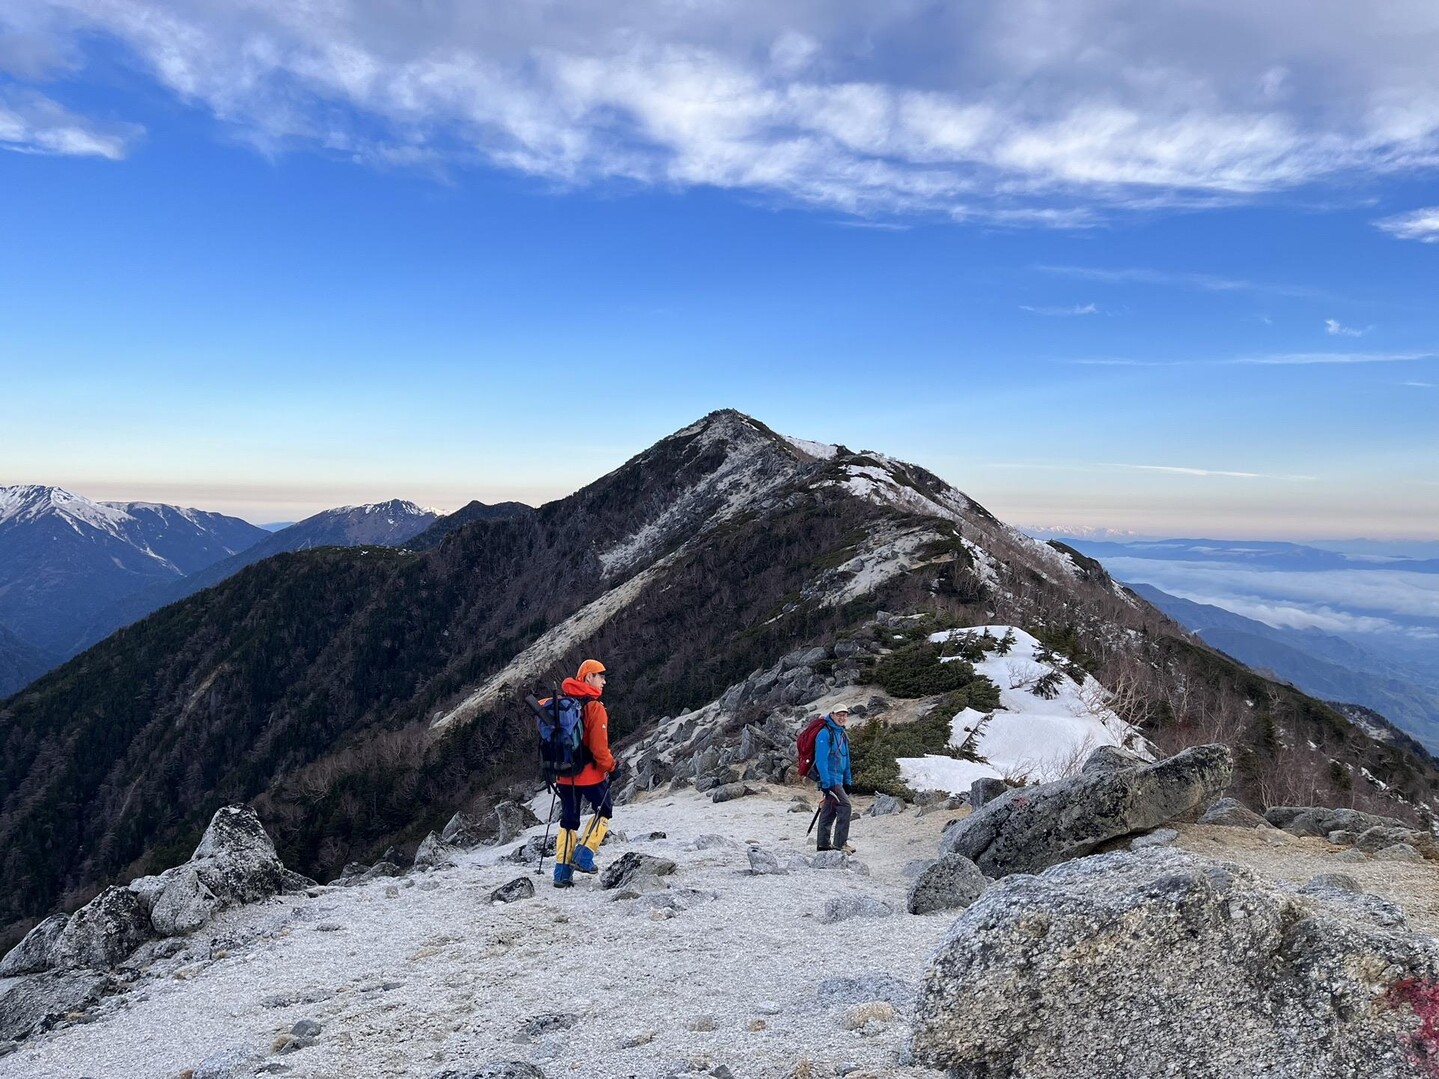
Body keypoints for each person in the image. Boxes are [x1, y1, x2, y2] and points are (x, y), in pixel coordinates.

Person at [553, 659, 616, 888]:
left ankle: (561, 873)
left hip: (563, 773)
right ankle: (584, 855)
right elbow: (600, 751)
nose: (604, 681)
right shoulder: (594, 707)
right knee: (604, 810)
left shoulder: (562, 704)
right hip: (589, 774)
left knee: (569, 820)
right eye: (600, 676)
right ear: (588, 677)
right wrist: (612, 766)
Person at [814, 704, 854, 854]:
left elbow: (847, 760)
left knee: (829, 809)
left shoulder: (842, 734)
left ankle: (823, 844)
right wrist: (825, 782)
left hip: (839, 779)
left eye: (844, 715)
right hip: (830, 779)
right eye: (839, 715)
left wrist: (848, 781)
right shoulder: (825, 734)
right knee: (845, 806)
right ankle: (840, 844)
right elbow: (821, 760)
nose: (842, 718)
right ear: (832, 715)